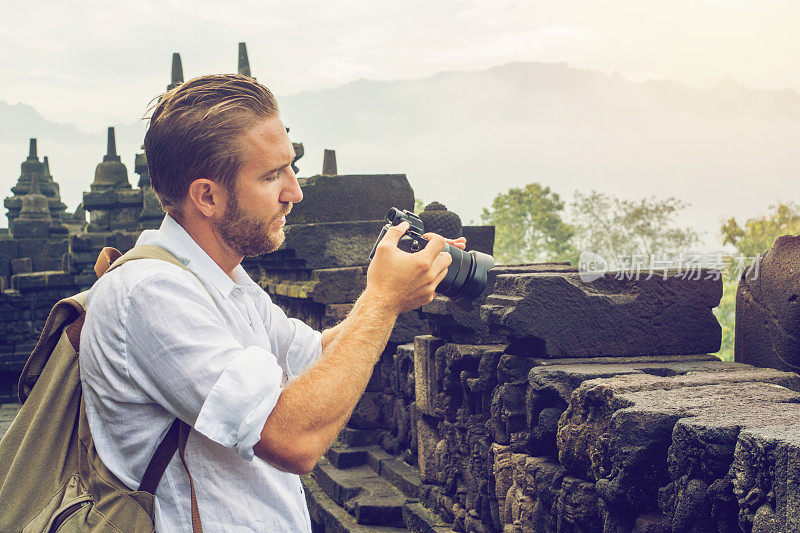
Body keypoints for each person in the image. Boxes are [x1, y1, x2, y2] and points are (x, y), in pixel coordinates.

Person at [79, 73, 466, 531]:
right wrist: (381, 301)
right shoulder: (149, 294)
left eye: (291, 167)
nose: (294, 192)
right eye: (271, 176)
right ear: (207, 196)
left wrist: (402, 290)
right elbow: (292, 438)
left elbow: (318, 356)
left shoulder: (224, 280)